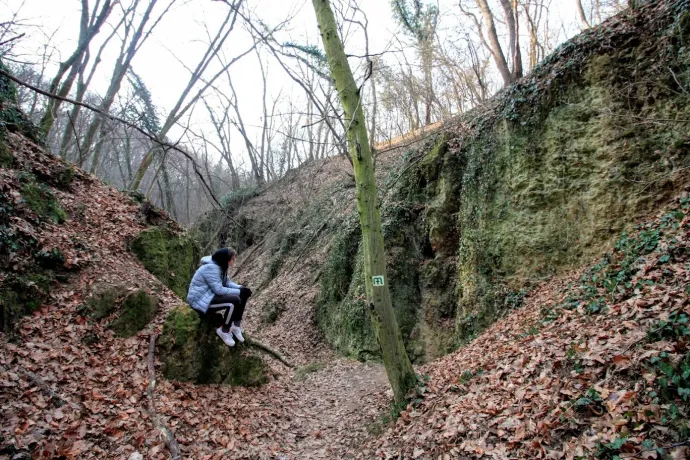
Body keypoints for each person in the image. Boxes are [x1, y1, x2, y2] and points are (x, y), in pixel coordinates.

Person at [187, 247, 252, 347]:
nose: (234, 261)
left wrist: (241, 288)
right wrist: (239, 291)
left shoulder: (220, 266)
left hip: (209, 296)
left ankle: (235, 325)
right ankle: (224, 330)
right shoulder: (211, 268)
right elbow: (219, 290)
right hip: (199, 301)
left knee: (243, 294)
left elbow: (227, 282)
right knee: (233, 302)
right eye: (232, 259)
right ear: (225, 259)